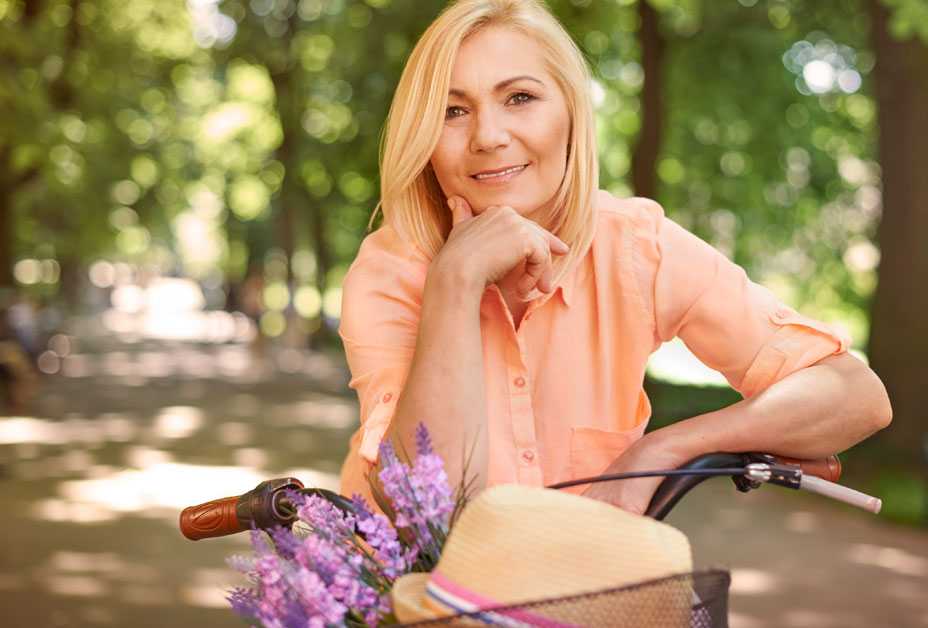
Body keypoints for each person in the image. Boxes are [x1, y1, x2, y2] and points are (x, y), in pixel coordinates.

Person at [337, 0, 892, 516]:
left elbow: (854, 396)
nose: (487, 135)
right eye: (453, 111)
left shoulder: (633, 246)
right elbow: (417, 507)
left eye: (520, 98)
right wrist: (455, 284)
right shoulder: (390, 269)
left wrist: (667, 448)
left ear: (572, 114)